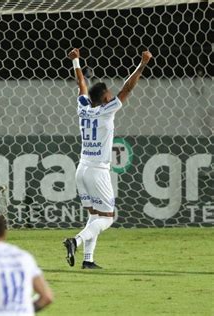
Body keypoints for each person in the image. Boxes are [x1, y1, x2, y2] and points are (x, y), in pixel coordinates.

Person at [64, 48, 152, 269]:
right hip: (97, 171)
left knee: (95, 216)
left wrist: (76, 62)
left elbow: (81, 85)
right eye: (109, 94)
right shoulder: (107, 110)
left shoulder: (83, 108)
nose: (112, 95)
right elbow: (127, 88)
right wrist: (142, 65)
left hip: (82, 169)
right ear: (104, 99)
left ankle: (88, 260)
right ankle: (75, 241)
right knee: (108, 217)